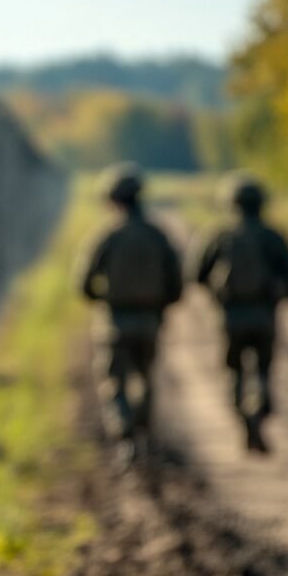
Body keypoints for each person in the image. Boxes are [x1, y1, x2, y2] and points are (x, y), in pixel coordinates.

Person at [197, 172, 288, 454]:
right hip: (265, 316)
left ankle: (245, 417)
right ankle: (260, 407)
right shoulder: (273, 237)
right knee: (263, 371)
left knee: (235, 373)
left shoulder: (221, 235)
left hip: (231, 317)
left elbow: (196, 274)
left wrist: (217, 291)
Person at [81, 163, 182, 449]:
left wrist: (103, 298)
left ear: (113, 199)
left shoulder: (108, 235)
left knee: (115, 380)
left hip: (115, 321)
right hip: (149, 321)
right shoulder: (157, 235)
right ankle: (143, 429)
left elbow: (84, 281)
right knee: (145, 377)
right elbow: (176, 281)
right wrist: (160, 305)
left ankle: (124, 430)